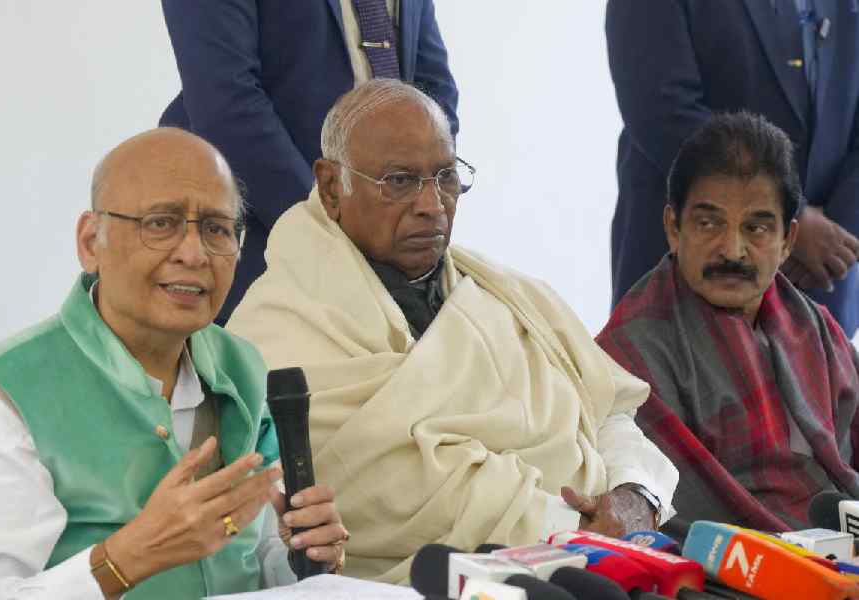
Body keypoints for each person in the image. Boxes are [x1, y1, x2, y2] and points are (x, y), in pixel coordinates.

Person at [226, 79, 679, 583]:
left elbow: (609, 412)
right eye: (399, 181)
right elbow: (389, 491)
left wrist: (637, 495)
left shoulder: (509, 293)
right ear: (333, 187)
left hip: (612, 548)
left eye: (445, 176)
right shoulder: (277, 328)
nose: (432, 204)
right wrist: (580, 533)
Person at [0, 129, 347, 599]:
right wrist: (127, 559)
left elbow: (256, 556)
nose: (194, 253)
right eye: (160, 223)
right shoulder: (7, 398)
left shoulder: (242, 368)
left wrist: (301, 553)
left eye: (217, 228)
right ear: (90, 242)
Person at [597, 112, 859, 531]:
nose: (732, 250)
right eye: (708, 223)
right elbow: (673, 510)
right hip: (737, 568)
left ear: (788, 241)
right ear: (673, 228)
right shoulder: (630, 351)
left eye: (756, 227)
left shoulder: (816, 327)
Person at [159, 0, 459, 325]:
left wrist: (408, 198)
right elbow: (226, 102)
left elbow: (434, 93)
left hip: (387, 247)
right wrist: (323, 223)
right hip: (259, 233)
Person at [606, 0, 859, 338]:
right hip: (688, 273)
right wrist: (788, 219)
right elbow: (661, 108)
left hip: (822, 274)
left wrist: (834, 237)